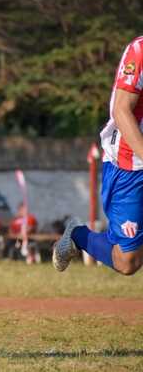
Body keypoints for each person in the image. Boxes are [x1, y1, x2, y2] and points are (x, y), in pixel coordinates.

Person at [54, 36, 143, 275]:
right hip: (130, 165)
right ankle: (77, 235)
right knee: (128, 262)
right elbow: (121, 111)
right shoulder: (139, 51)